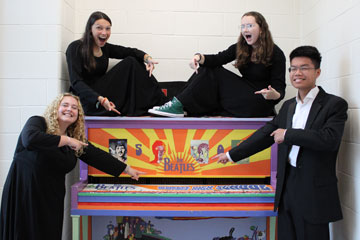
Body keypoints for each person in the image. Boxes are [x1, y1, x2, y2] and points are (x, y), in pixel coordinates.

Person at [213, 46, 348, 240]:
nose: (297, 73)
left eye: (304, 68)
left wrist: (288, 134)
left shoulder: (334, 105)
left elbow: (329, 140)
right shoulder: (288, 106)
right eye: (293, 68)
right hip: (287, 185)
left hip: (313, 190)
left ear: (317, 72)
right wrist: (231, 154)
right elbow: (266, 134)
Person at [0, 93, 144, 240]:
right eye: (65, 105)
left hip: (50, 199)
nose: (69, 109)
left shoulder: (75, 140)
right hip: (25, 193)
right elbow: (29, 139)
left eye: (74, 108)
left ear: (78, 115)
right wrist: (67, 140)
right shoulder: (38, 123)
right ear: (56, 108)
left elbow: (97, 156)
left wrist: (127, 169)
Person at [149, 11, 286, 118]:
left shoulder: (276, 53)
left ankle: (179, 104)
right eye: (242, 26)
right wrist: (198, 57)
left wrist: (273, 94)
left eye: (250, 26)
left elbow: (280, 89)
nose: (245, 30)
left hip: (259, 102)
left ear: (261, 29)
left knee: (214, 71)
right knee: (209, 68)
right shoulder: (241, 47)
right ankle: (180, 104)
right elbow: (218, 58)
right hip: (244, 94)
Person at [66, 11, 168, 116]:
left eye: (108, 28)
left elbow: (131, 51)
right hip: (87, 100)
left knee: (134, 60)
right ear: (90, 29)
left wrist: (148, 59)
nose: (104, 33)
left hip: (102, 94)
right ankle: (162, 102)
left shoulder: (105, 48)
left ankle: (162, 103)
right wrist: (100, 99)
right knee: (130, 62)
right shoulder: (75, 47)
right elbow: (76, 82)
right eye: (99, 28)